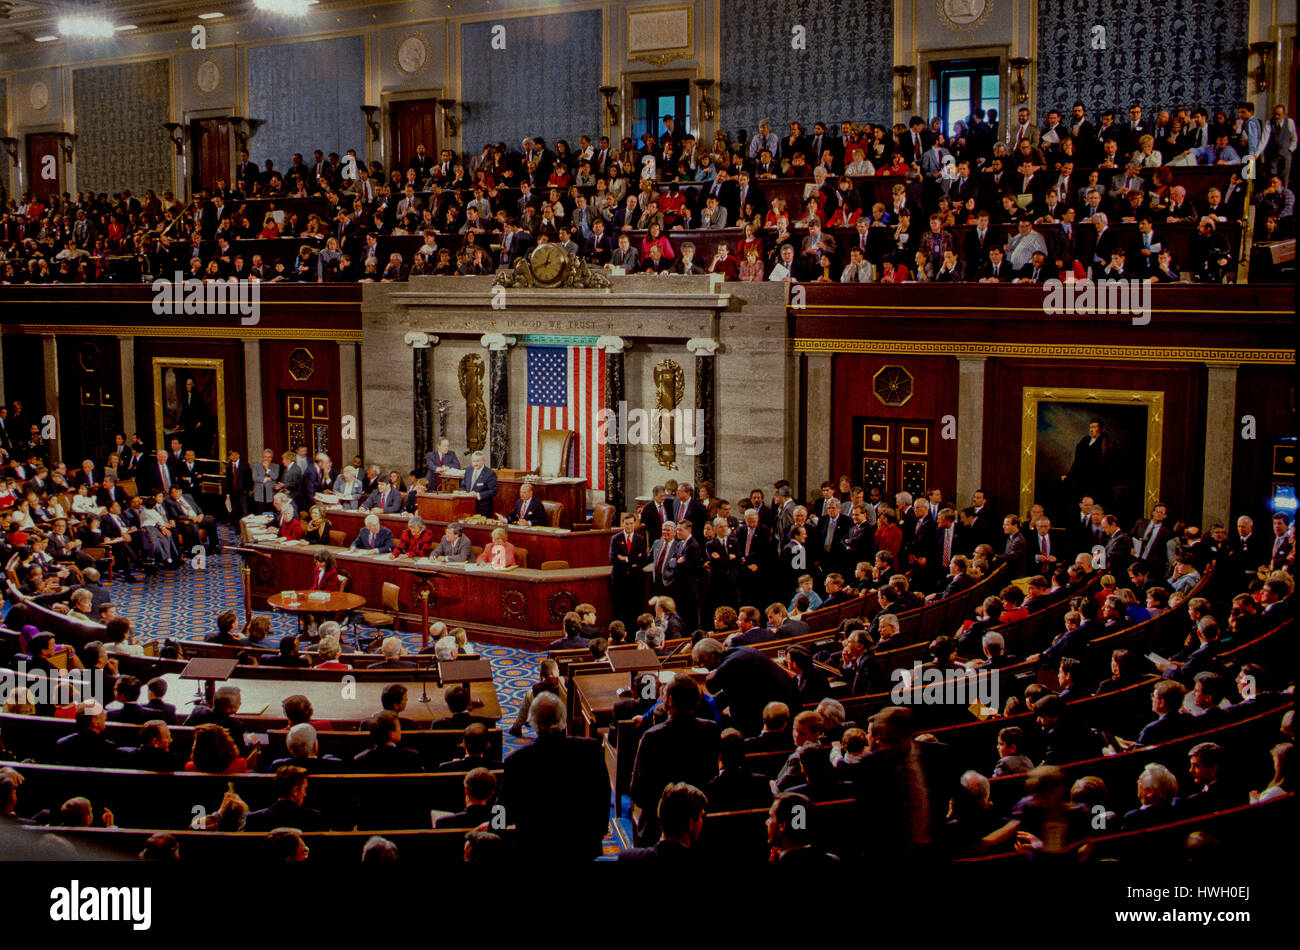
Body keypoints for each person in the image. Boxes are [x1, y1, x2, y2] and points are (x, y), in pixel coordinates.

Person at [501, 693, 609, 860]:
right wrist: (599, 832)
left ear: (533, 724)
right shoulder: (590, 751)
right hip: (582, 846)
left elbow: (504, 807)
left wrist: (494, 831)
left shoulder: (516, 762)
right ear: (563, 720)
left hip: (535, 848)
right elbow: (602, 796)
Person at [462, 450, 498, 518]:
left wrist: (478, 495)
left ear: (483, 460)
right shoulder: (468, 470)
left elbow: (493, 491)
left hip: (483, 508)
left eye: (477, 461)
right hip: (467, 505)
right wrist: (463, 492)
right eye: (473, 461)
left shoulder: (490, 473)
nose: (475, 464)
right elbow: (463, 486)